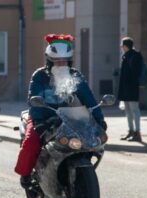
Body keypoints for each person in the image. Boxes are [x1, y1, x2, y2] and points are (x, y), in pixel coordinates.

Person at [14, 34, 107, 188]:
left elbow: (88, 98)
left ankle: (79, 174)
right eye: (56, 61)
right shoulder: (40, 76)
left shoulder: (75, 76)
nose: (60, 64)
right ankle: (25, 175)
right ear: (49, 61)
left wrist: (99, 119)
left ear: (69, 61)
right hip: (43, 117)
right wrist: (38, 123)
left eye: (64, 61)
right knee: (31, 142)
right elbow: (34, 99)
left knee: (88, 141)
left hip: (68, 117)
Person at [118, 37, 144, 142]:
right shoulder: (125, 56)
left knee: (134, 110)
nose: (121, 47)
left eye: (122, 45)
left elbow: (135, 73)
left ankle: (137, 133)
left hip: (132, 88)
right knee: (128, 111)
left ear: (126, 46)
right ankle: (131, 131)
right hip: (125, 88)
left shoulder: (136, 55)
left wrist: (131, 83)